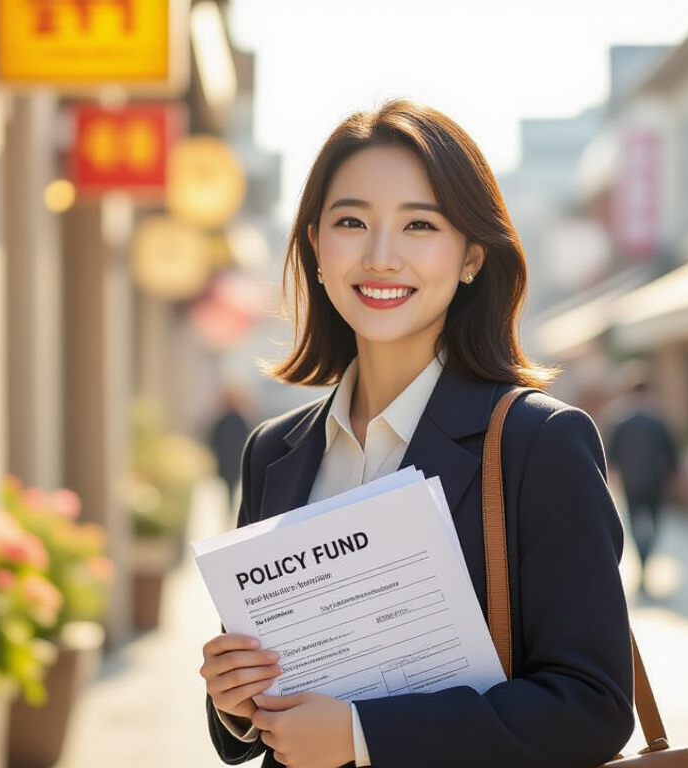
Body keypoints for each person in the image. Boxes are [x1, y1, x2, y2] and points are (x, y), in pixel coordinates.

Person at [199, 101, 633, 768]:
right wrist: (236, 702)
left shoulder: (537, 444)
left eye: (419, 225)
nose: (380, 256)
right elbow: (261, 704)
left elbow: (593, 707)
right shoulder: (273, 453)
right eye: (351, 222)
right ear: (316, 246)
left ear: (470, 258)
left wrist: (361, 737)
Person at [604, 367, 679, 596]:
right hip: (655, 479)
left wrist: (613, 479)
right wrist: (673, 476)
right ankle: (646, 561)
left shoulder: (619, 420)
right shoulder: (658, 420)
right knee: (655, 524)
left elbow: (611, 454)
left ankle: (643, 561)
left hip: (631, 481)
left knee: (636, 524)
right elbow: (672, 452)